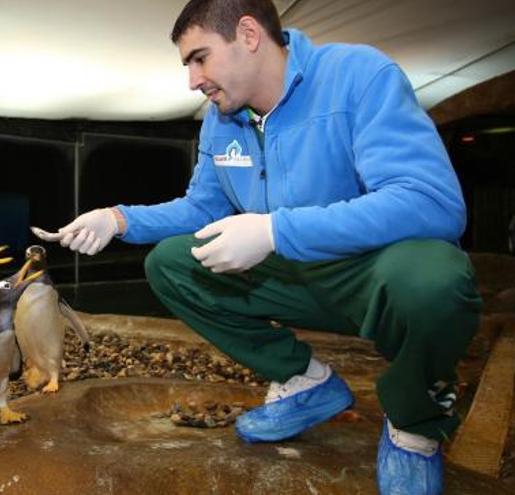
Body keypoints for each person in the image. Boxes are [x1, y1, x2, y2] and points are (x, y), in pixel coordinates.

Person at [34, 1, 481, 494]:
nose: (192, 80)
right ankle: (305, 380)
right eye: (187, 65)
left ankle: (414, 424)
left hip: (369, 276)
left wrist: (273, 231)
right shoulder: (221, 119)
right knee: (172, 263)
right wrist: (118, 218)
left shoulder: (359, 76)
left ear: (248, 34)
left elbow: (430, 201)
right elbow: (202, 207)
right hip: (292, 279)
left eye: (199, 58)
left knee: (435, 279)